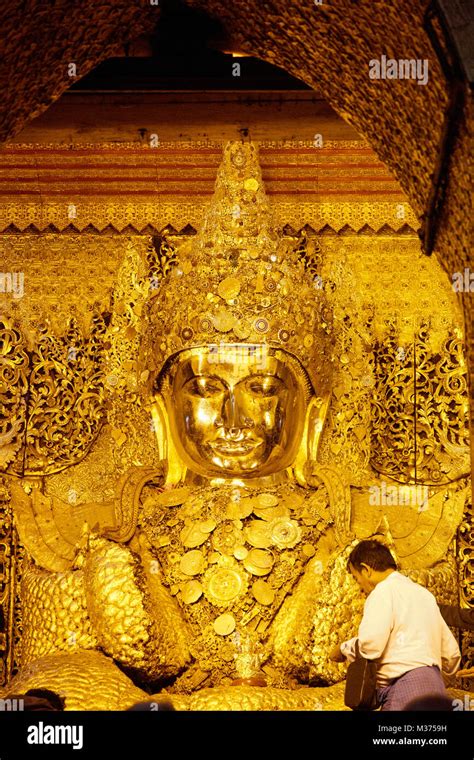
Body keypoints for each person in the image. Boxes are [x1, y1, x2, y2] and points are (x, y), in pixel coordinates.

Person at [329, 539, 461, 711]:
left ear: (366, 570)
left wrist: (343, 649)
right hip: (437, 693)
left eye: (356, 578)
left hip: (406, 691)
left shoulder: (383, 591)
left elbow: (371, 645)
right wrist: (432, 680)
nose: (359, 586)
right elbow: (452, 655)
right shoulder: (424, 595)